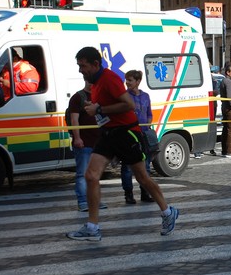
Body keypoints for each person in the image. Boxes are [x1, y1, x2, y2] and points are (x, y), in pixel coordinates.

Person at [66, 46, 179, 241]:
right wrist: (95, 109)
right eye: (78, 66)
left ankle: (168, 212)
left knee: (142, 178)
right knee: (91, 175)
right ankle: (92, 227)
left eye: (83, 66)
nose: (80, 70)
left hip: (127, 134)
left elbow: (129, 104)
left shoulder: (109, 79)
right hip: (108, 134)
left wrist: (99, 108)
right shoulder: (96, 83)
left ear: (95, 64)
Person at [68, 81, 107, 212]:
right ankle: (83, 201)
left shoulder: (100, 97)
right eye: (90, 81)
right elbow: (74, 120)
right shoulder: (78, 97)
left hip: (98, 142)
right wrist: (77, 138)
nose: (92, 84)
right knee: (82, 174)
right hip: (84, 142)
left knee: (95, 174)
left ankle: (95, 201)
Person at [120, 70, 154, 204]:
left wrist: (147, 125)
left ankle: (145, 192)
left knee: (145, 165)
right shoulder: (124, 96)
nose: (127, 83)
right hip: (129, 135)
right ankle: (128, 194)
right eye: (126, 80)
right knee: (127, 166)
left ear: (138, 81)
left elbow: (149, 113)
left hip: (143, 135)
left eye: (130, 80)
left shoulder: (145, 96)